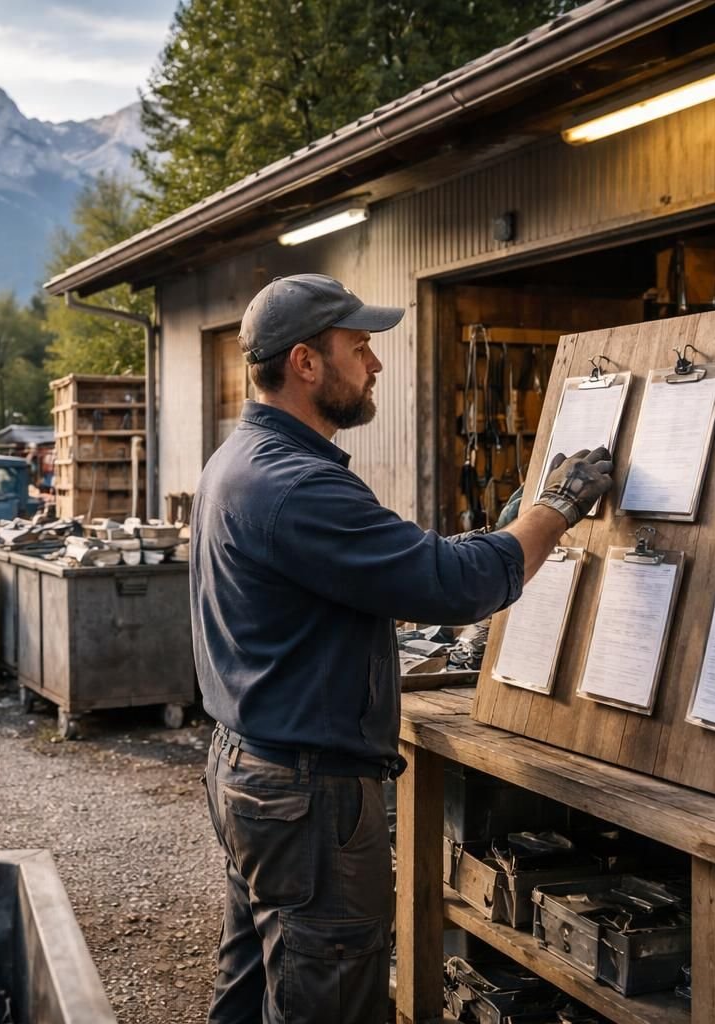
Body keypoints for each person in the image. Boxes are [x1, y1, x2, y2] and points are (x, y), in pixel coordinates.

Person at [190, 273, 614, 1024]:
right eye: (360, 348)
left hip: (253, 772)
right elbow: (451, 586)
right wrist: (554, 511)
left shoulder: (242, 461)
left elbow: (396, 565)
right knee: (327, 997)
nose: (376, 364)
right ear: (305, 363)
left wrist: (506, 532)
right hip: (305, 796)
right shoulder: (297, 485)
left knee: (254, 985)